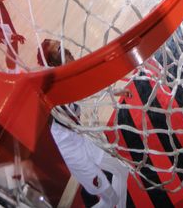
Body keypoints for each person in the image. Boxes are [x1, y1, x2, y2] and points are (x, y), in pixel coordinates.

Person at [39, 39, 130, 208]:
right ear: (50, 63)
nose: (65, 49)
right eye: (59, 49)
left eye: (61, 44)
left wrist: (115, 91)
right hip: (70, 152)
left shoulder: (69, 75)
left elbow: (88, 87)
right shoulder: (50, 85)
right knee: (110, 200)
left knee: (122, 170)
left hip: (81, 137)